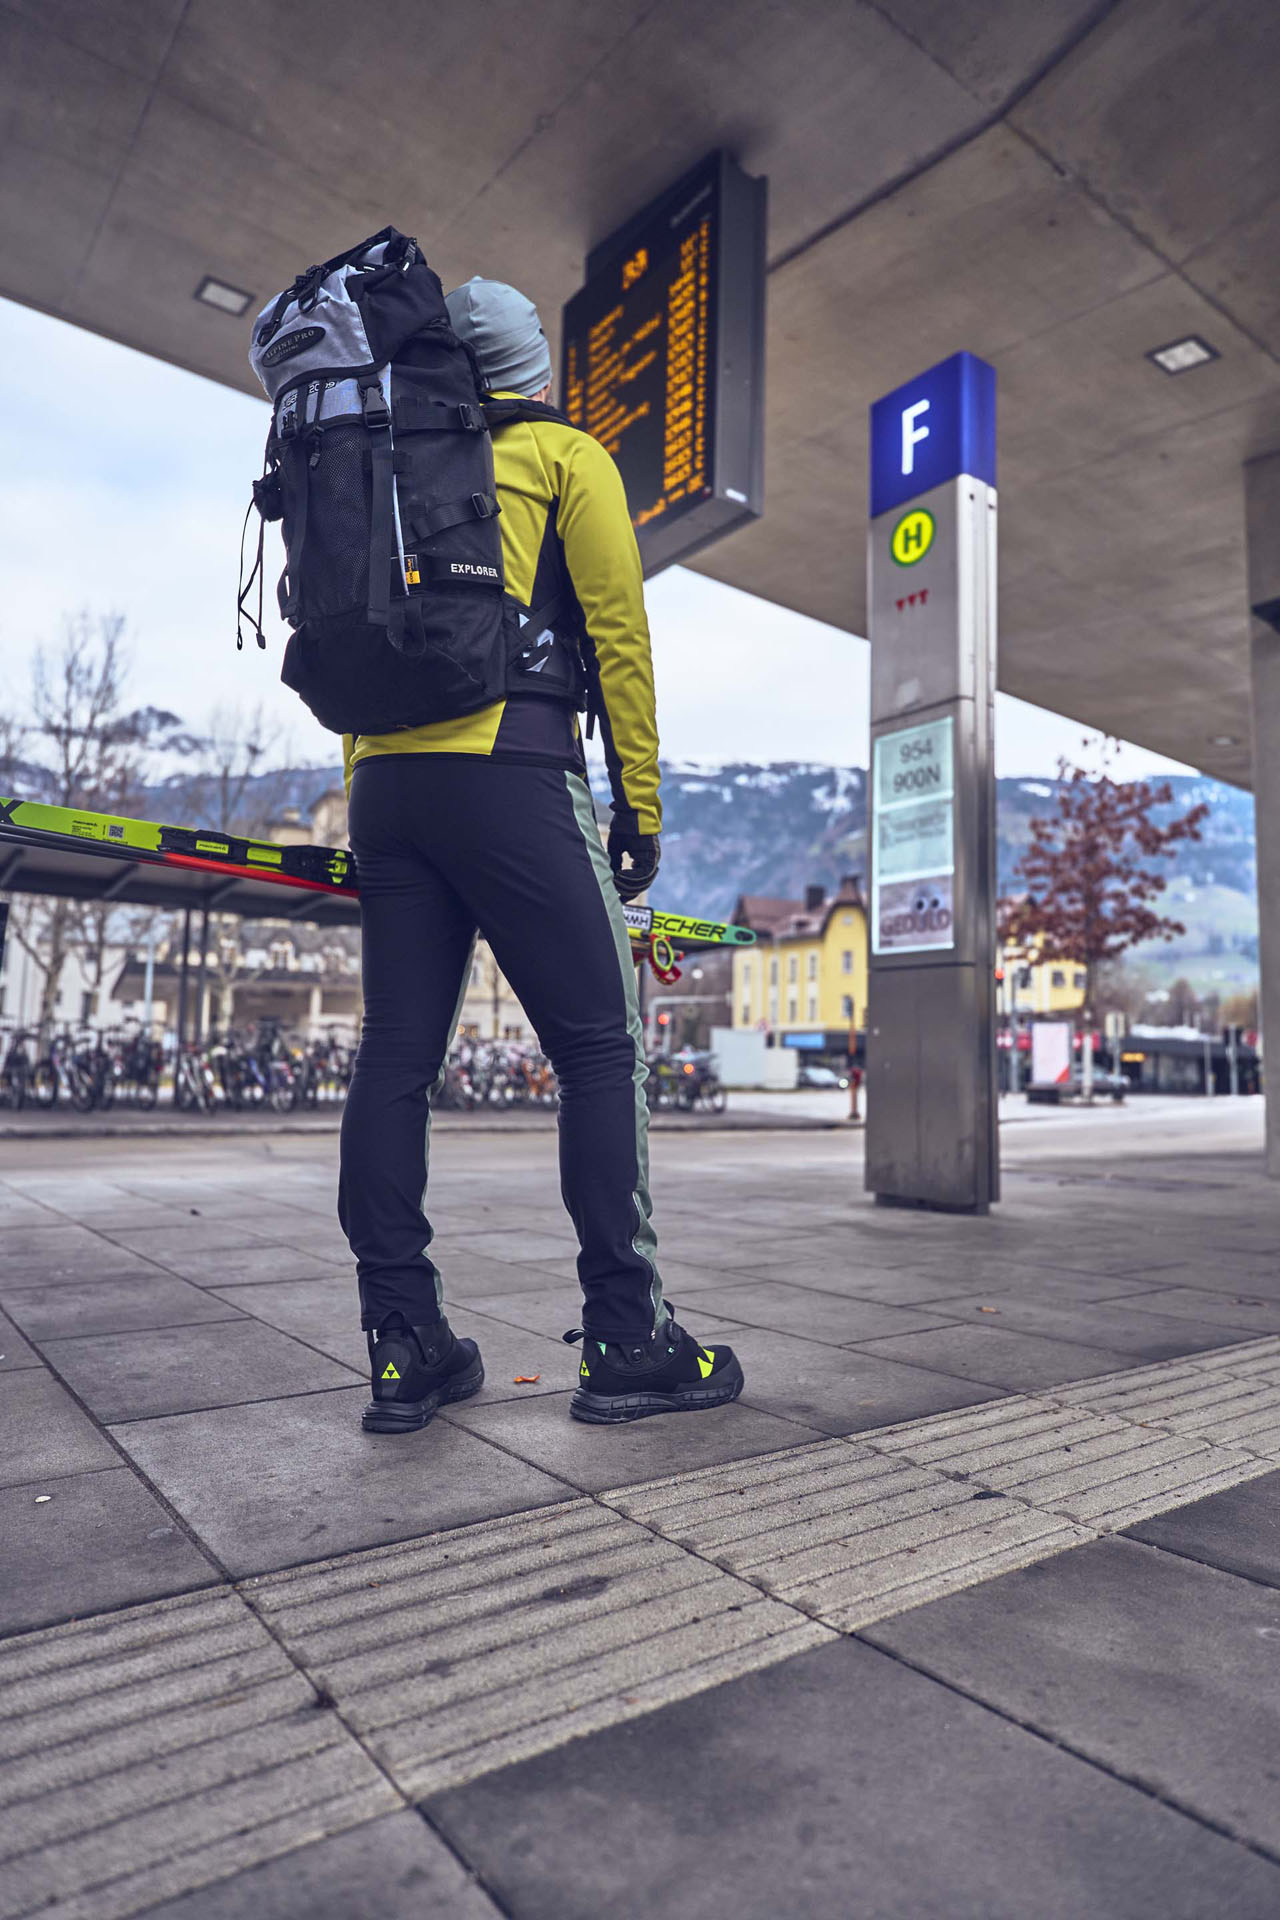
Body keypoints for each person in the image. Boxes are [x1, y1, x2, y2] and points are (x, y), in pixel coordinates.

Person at [339, 276, 744, 1433]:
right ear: (529, 366)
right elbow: (618, 631)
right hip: (510, 772)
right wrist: (640, 807)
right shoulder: (565, 453)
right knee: (600, 1051)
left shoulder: (384, 459)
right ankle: (627, 1336)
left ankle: (404, 1346)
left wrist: (377, 790)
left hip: (384, 789)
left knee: (394, 1060)